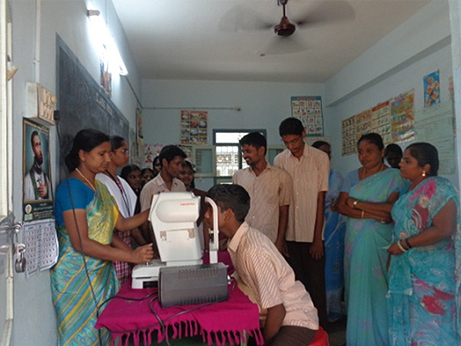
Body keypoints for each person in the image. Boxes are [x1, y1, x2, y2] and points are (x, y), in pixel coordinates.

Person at [51, 129, 154, 346]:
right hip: (76, 274)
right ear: (83, 154)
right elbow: (81, 242)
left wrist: (154, 209)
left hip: (103, 272)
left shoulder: (100, 188)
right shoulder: (71, 189)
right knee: (82, 336)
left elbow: (120, 225)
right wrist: (130, 256)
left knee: (105, 332)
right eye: (102, 153)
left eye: (109, 153)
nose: (108, 159)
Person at [206, 184, 319, 346]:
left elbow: (277, 310)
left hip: (295, 320)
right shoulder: (238, 241)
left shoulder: (252, 250)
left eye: (211, 210)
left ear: (228, 214)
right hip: (273, 318)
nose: (206, 215)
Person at [336, 132, 408, 346]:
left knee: (379, 288)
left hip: (380, 242)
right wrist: (371, 213)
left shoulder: (395, 177)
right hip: (355, 240)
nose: (364, 156)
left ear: (382, 152)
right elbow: (341, 206)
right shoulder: (351, 176)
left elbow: (390, 211)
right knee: (356, 288)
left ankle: (382, 339)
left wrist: (356, 204)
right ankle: (359, 338)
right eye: (360, 152)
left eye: (369, 151)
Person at [386, 142, 460, 346]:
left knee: (433, 329)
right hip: (407, 272)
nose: (401, 164)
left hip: (432, 276)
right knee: (411, 329)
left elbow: (444, 228)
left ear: (425, 167)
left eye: (407, 161)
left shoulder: (440, 188)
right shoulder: (410, 190)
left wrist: (404, 245)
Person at [273, 117, 330, 329]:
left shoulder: (319, 158)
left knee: (316, 287)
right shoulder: (280, 160)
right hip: (289, 236)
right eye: (287, 142)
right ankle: (299, 330)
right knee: (294, 288)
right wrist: (281, 238)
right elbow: (281, 202)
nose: (292, 146)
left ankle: (321, 331)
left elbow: (320, 198)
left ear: (304, 134)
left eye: (295, 141)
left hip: (312, 236)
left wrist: (317, 239)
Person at [96, 136, 147, 286]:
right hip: (113, 249)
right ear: (110, 154)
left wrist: (143, 247)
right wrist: (151, 211)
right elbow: (117, 226)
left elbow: (131, 224)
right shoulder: (100, 180)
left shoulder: (121, 181)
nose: (127, 156)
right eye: (123, 151)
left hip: (125, 249)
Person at [232, 132, 292, 254]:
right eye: (243, 152)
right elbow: (235, 209)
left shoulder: (281, 177)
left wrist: (280, 241)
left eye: (248, 151)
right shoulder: (238, 176)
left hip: (269, 240)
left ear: (261, 150)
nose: (244, 155)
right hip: (244, 239)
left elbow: (284, 212)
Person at [312, 140, 346, 323]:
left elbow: (341, 204)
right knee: (316, 273)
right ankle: (316, 311)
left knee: (333, 270)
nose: (326, 157)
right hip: (311, 231)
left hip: (334, 232)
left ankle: (332, 311)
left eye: (329, 153)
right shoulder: (308, 177)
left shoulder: (338, 178)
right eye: (322, 153)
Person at [139, 145, 187, 245]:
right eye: (177, 164)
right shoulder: (150, 188)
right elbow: (144, 223)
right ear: (165, 163)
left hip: (178, 240)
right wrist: (152, 245)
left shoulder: (180, 185)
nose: (180, 168)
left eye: (181, 165)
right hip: (157, 240)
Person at [178, 160, 208, 249]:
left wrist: (207, 248)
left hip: (198, 235)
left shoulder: (202, 195)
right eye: (183, 173)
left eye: (190, 173)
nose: (187, 176)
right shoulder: (173, 194)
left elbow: (205, 224)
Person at [24, 130, 51, 200]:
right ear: (33, 150)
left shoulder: (46, 178)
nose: (40, 149)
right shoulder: (27, 180)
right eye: (36, 145)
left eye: (40, 144)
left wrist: (46, 193)